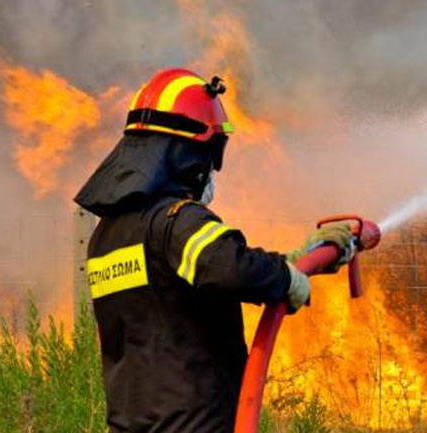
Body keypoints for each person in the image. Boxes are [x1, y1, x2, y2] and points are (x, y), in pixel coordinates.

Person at [74, 68, 353, 433]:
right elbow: (230, 267)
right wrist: (287, 278)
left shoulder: (107, 237)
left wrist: (295, 260)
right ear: (187, 154)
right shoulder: (177, 221)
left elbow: (188, 279)